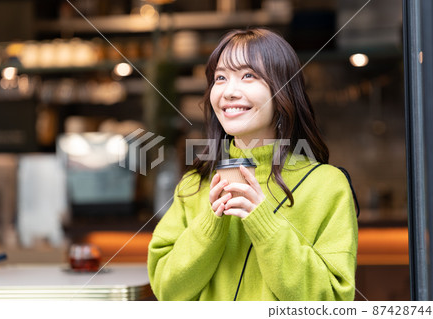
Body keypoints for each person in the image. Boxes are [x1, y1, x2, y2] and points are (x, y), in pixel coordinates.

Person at [147, 28, 358, 301]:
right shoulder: (193, 185)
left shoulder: (327, 186)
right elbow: (167, 290)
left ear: (284, 91)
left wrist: (263, 224)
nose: (229, 91)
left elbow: (331, 301)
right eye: (220, 78)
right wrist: (211, 222)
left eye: (248, 76)